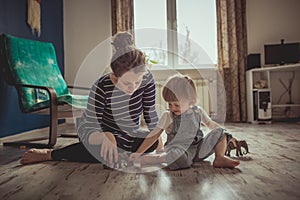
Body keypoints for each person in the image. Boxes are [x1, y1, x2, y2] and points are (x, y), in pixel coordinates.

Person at [20, 31, 163, 166]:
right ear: (115, 75)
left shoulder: (147, 79)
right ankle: (51, 154)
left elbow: (150, 113)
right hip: (97, 134)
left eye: (137, 82)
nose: (132, 89)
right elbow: (90, 129)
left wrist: (156, 138)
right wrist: (105, 136)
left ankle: (119, 153)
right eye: (126, 84)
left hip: (126, 136)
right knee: (100, 150)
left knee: (152, 142)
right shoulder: (102, 86)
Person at [129, 74, 240, 170]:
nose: (172, 107)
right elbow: (154, 135)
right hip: (178, 150)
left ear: (190, 100)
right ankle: (157, 159)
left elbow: (211, 124)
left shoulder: (198, 111)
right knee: (180, 158)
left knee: (220, 131)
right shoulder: (168, 115)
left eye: (176, 104)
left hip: (197, 149)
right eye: (169, 104)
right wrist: (138, 153)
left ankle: (219, 158)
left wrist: (227, 136)